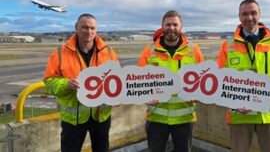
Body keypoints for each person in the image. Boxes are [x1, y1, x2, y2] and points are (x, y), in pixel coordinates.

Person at [216, 0, 270, 152]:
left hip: (269, 112)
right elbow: (219, 80)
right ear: (239, 17)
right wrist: (234, 104)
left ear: (259, 15)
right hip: (240, 114)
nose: (249, 18)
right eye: (245, 14)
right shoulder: (229, 45)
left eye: (253, 13)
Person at [44, 13, 120, 152]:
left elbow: (117, 80)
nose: (89, 31)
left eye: (92, 28)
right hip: (74, 118)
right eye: (85, 27)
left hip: (100, 115)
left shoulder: (108, 51)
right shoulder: (60, 53)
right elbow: (49, 83)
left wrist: (117, 96)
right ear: (76, 28)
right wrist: (66, 85)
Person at [137, 10, 204, 152]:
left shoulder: (194, 50)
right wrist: (145, 97)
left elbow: (203, 82)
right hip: (156, 118)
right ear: (162, 26)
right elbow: (138, 82)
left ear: (181, 26)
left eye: (175, 24)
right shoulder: (149, 51)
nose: (171, 28)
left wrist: (198, 95)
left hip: (184, 119)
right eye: (168, 24)